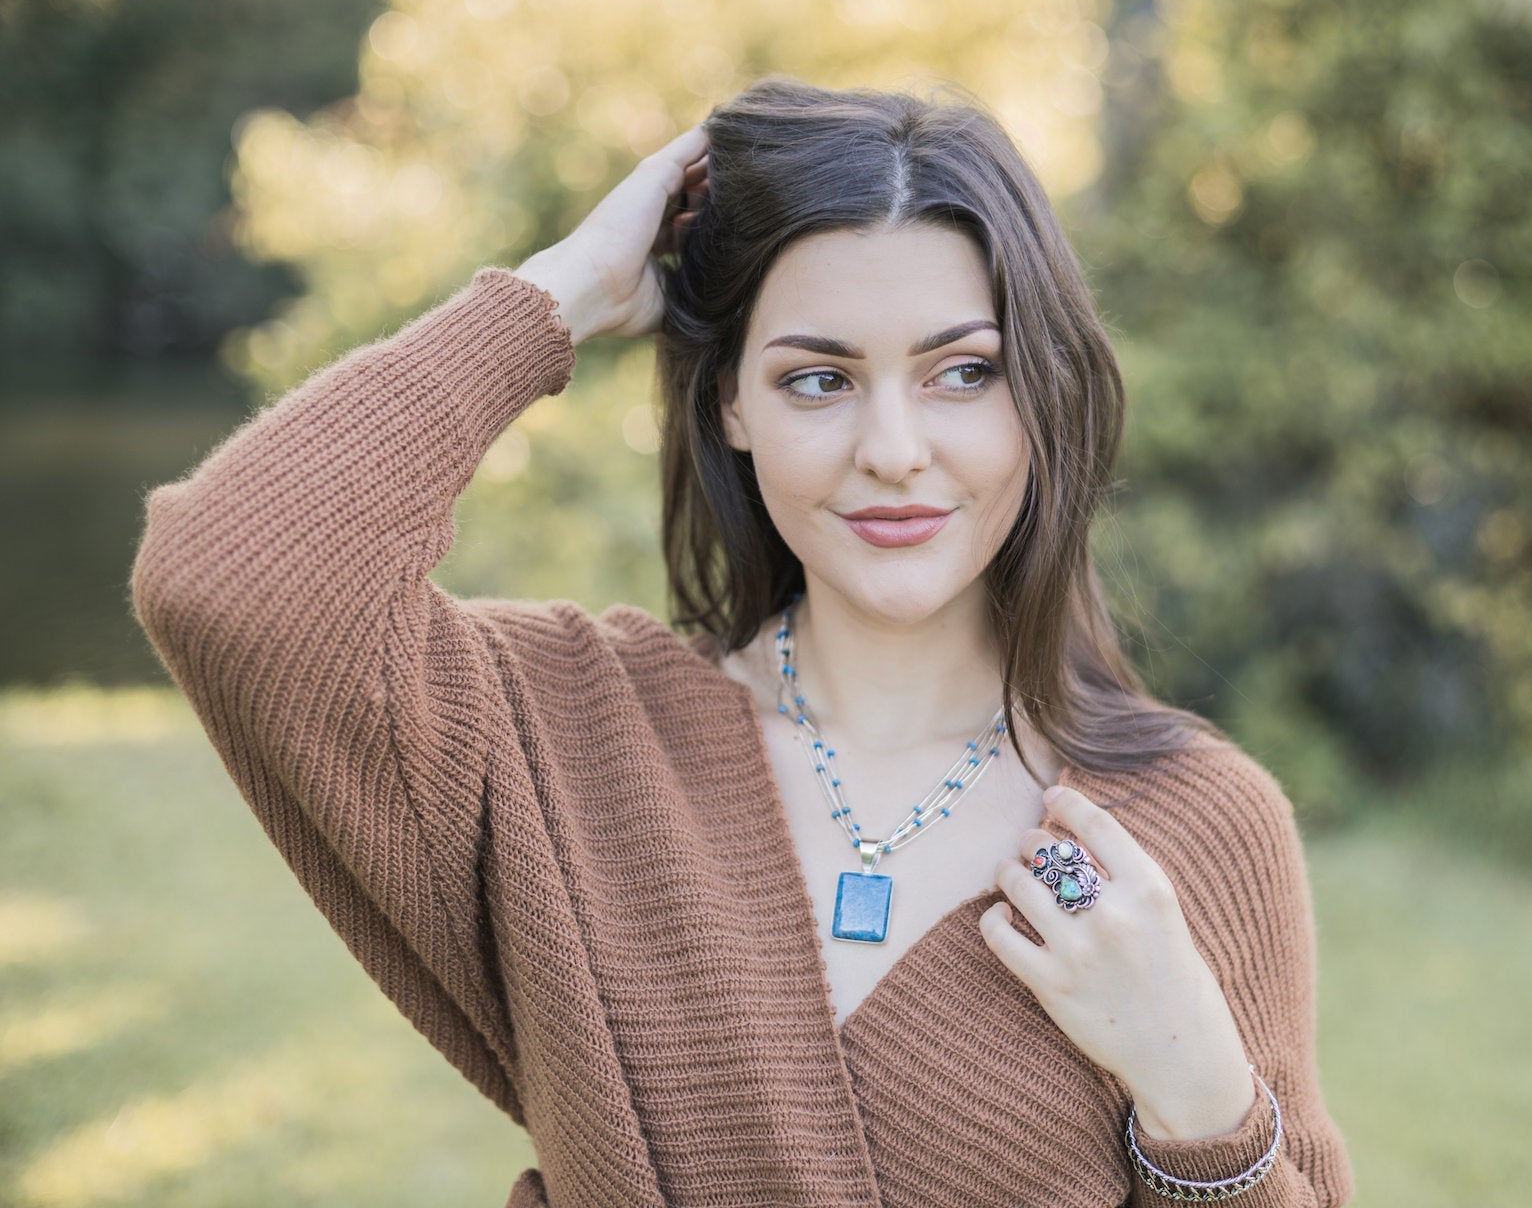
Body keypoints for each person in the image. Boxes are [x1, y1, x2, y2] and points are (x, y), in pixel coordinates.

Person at [130, 76, 1355, 1207]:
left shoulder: (1189, 829)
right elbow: (223, 579)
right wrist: (555, 297)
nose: (893, 449)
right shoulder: (570, 743)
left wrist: (1202, 1101)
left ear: (1043, 389)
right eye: (819, 380)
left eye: (963, 373)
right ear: (731, 404)